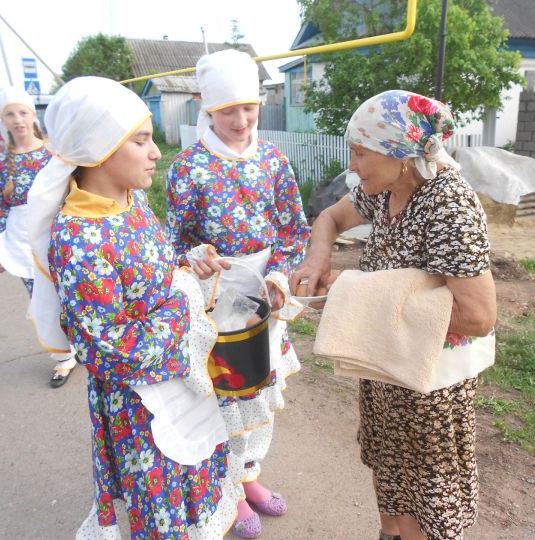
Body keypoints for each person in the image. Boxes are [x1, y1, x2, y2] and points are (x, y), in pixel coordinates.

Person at [27, 76, 243, 539]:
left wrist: (189, 264)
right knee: (161, 507)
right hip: (140, 406)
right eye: (141, 141)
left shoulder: (134, 199)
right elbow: (110, 349)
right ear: (99, 148)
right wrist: (183, 304)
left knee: (193, 489)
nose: (156, 152)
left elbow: (156, 265)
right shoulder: (79, 237)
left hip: (177, 379)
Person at [290, 90, 497, 540]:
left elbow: (479, 317)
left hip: (431, 384)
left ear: (401, 154)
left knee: (430, 500)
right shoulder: (386, 191)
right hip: (386, 363)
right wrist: (317, 261)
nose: (351, 166)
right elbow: (328, 218)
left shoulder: (449, 205)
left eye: (360, 153)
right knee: (390, 477)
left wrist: (353, 300)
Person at [166, 49, 310, 539]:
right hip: (216, 299)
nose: (241, 119)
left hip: (266, 297)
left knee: (261, 390)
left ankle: (249, 477)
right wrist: (195, 256)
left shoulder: (273, 160)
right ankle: (226, 490)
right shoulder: (189, 167)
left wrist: (280, 277)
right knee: (227, 396)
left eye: (248, 107)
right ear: (207, 108)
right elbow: (173, 241)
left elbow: (294, 231)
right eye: (228, 109)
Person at [0, 87, 77, 387]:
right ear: (3, 120)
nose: (18, 119)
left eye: (22, 112)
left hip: (59, 232)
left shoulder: (55, 153)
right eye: (10, 114)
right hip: (22, 241)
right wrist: (0, 251)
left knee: (74, 294)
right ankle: (63, 358)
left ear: (32, 115)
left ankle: (85, 346)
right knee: (42, 300)